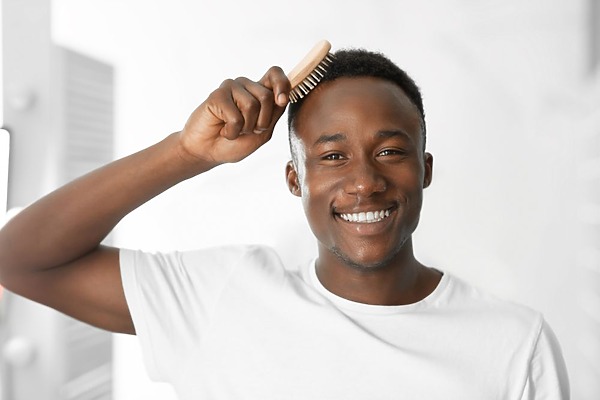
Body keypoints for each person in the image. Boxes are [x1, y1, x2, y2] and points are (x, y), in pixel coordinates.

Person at [0, 48, 569, 399]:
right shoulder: (220, 298)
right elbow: (17, 257)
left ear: (424, 170)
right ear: (295, 179)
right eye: (332, 155)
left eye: (390, 151)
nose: (364, 181)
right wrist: (188, 152)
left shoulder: (515, 343)